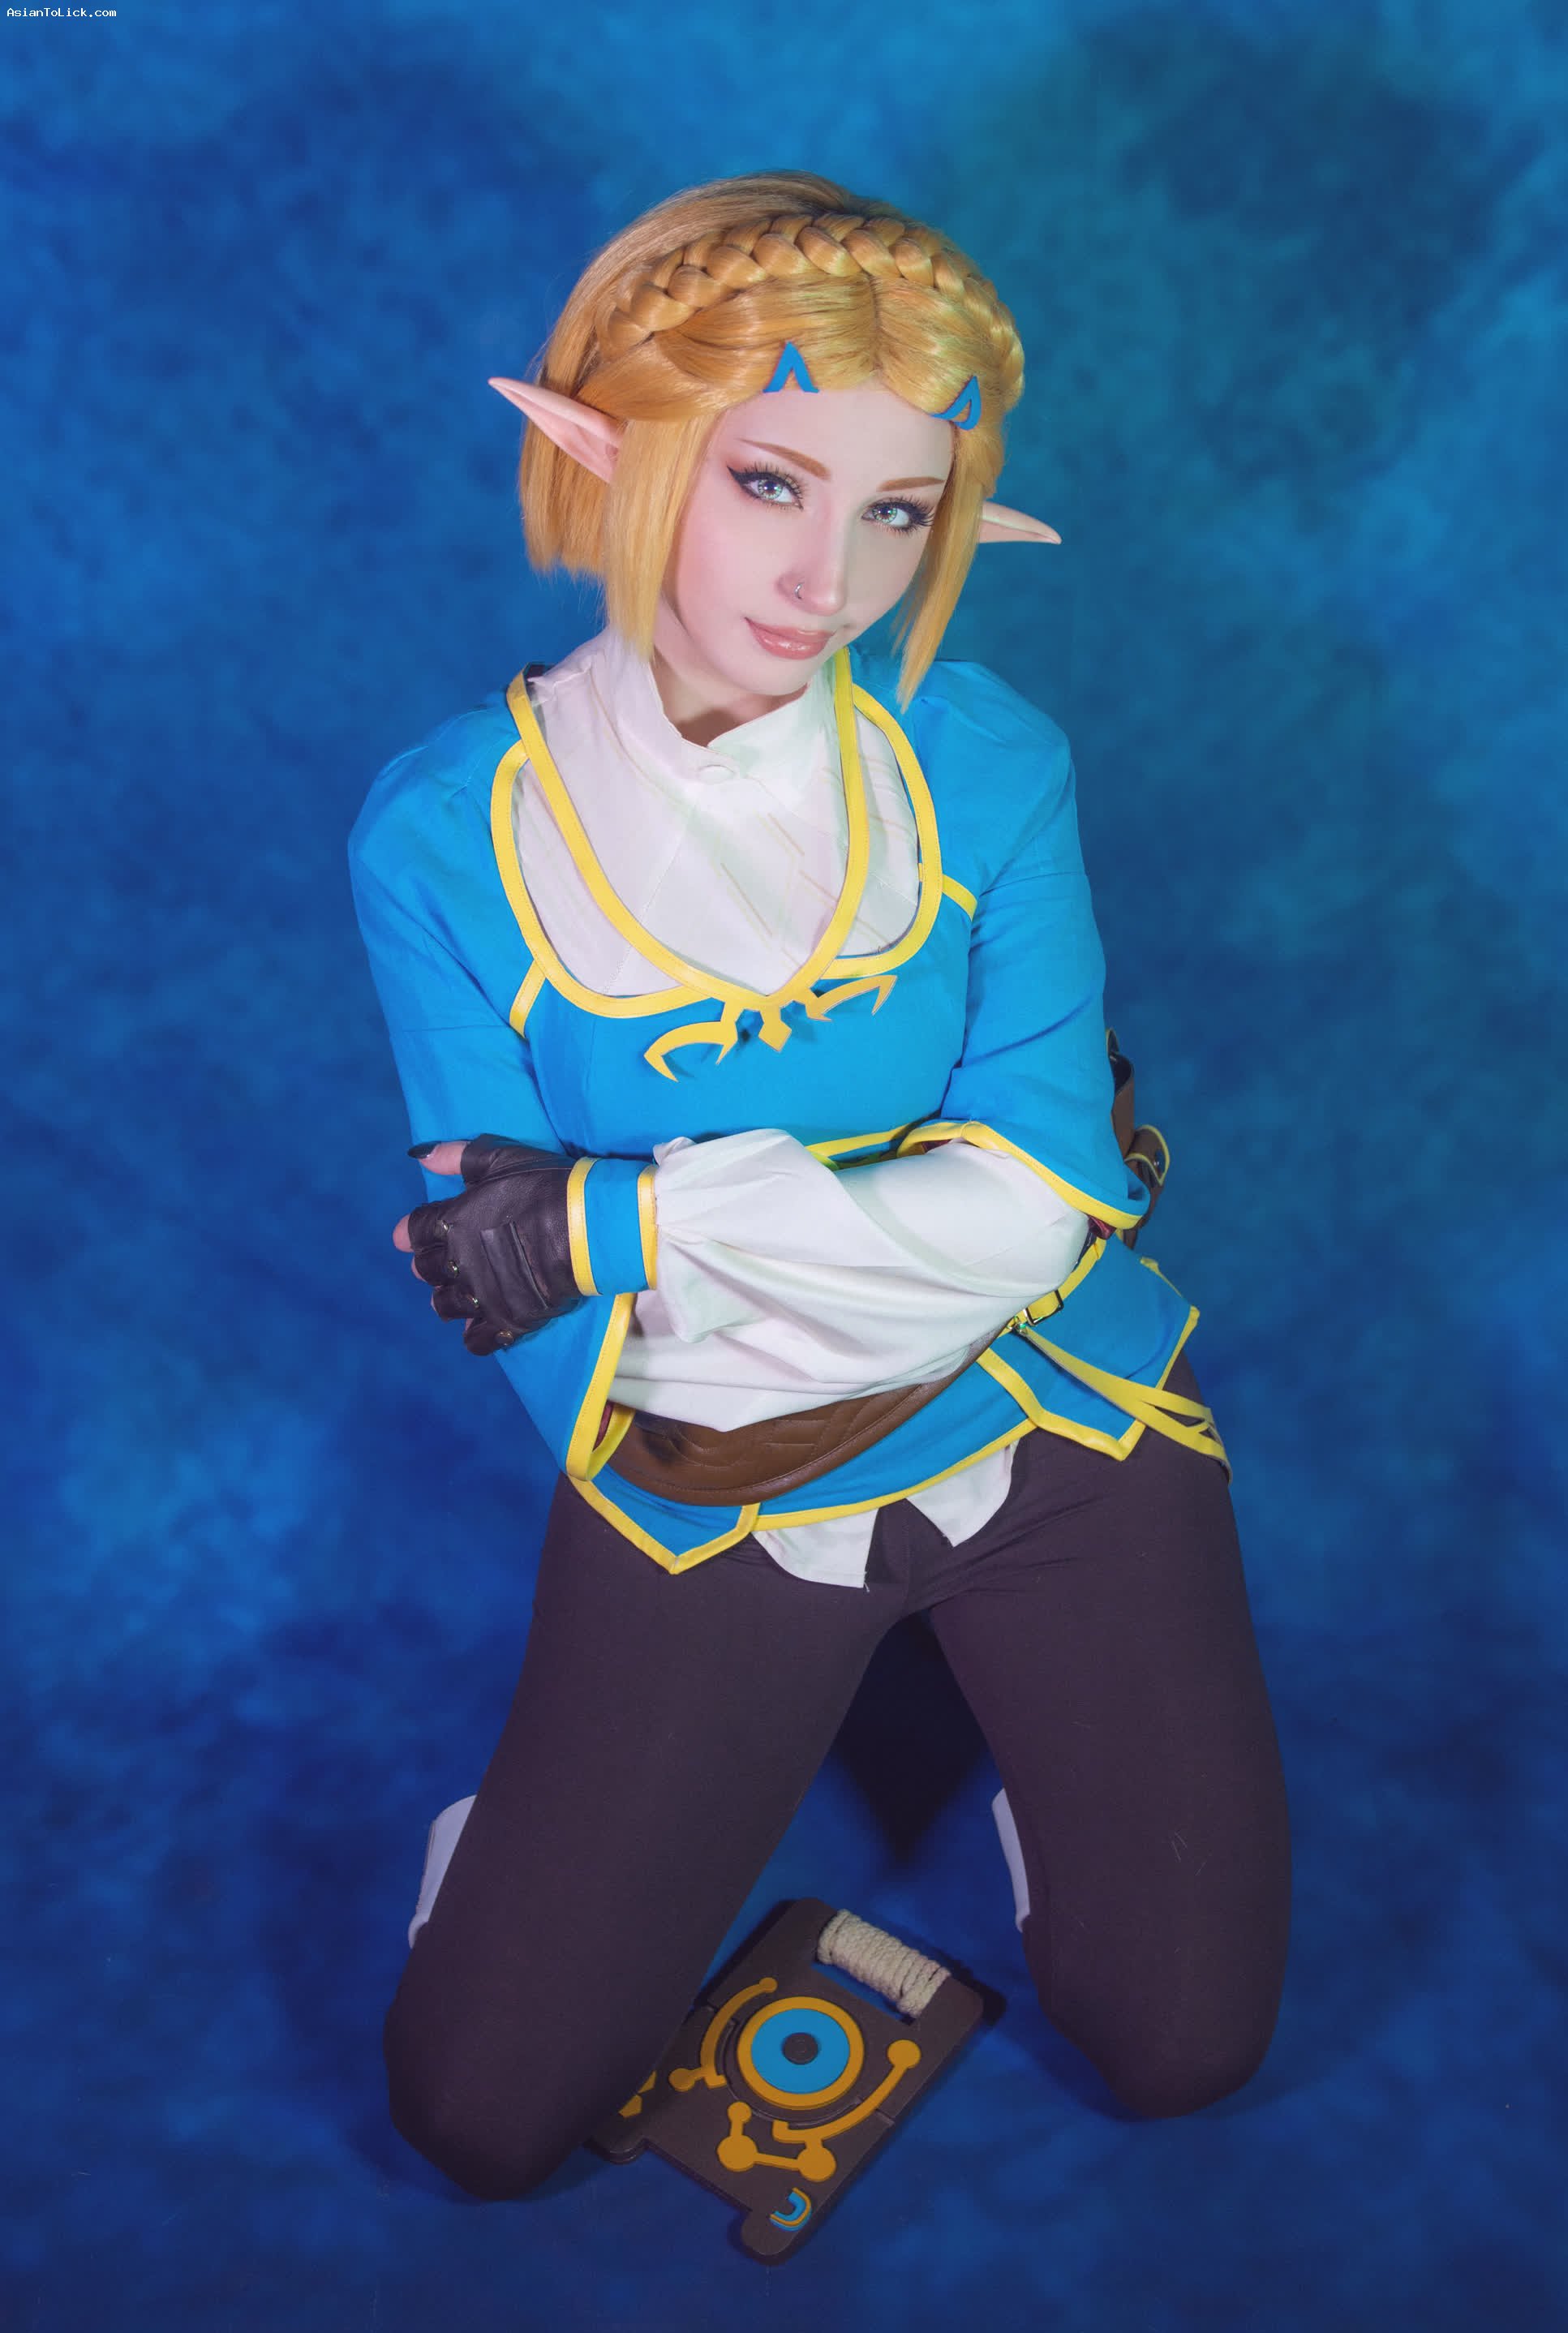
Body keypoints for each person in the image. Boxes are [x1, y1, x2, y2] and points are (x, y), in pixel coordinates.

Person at [350, 171, 1291, 2202]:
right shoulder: (443, 832)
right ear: (607, 451)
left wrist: (635, 1217)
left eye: (896, 511)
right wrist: (787, 1240)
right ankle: (505, 1861)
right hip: (716, 1481)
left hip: (1060, 1423)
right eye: (771, 483)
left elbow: (1041, 1207)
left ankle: (1069, 1791)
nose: (829, 576)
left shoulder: (988, 757)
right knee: (479, 2118)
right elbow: (543, 1310)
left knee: (1183, 2041)